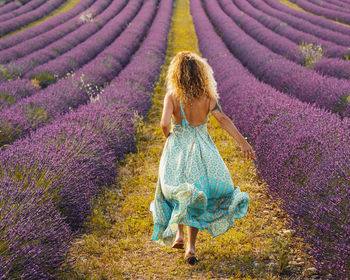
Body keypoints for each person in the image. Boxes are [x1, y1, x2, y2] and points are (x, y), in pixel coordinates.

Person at [149, 51, 256, 265]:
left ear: (176, 74)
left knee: (178, 188)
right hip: (201, 149)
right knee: (198, 194)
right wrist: (243, 143)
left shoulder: (172, 95)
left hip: (178, 146)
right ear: (200, 73)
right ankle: (190, 248)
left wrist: (169, 136)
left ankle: (178, 234)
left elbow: (163, 124)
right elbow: (223, 119)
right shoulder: (207, 96)